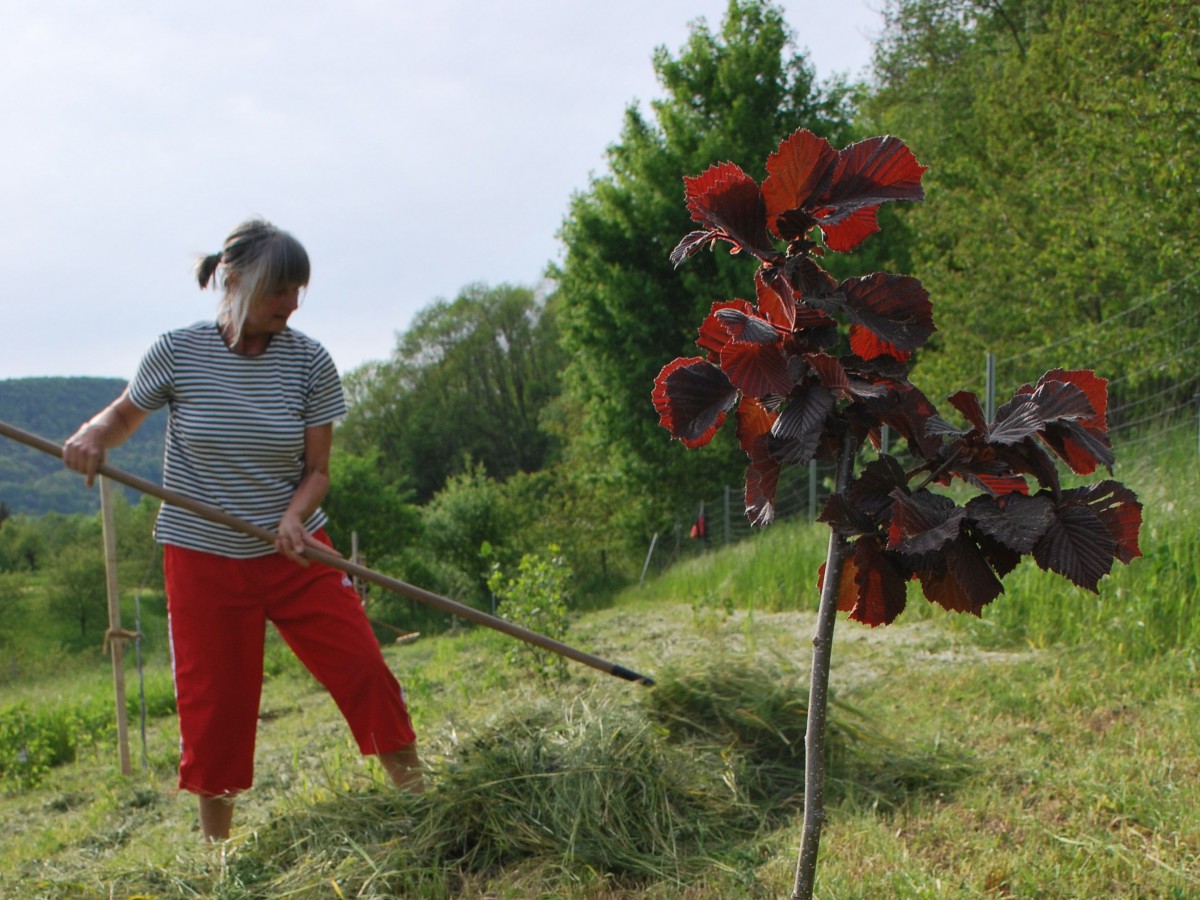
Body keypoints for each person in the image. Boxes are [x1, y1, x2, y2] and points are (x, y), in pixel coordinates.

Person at [62, 219, 422, 841]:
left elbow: (317, 471)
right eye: (279, 289)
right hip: (203, 561)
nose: (293, 303)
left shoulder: (309, 361)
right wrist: (93, 434)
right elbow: (122, 417)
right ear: (233, 282)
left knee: (364, 668)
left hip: (298, 554)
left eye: (298, 290)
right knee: (216, 711)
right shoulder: (178, 351)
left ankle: (423, 804)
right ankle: (217, 858)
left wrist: (292, 517)